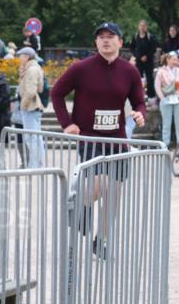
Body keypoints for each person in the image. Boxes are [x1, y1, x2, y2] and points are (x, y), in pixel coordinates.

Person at [50, 21, 146, 258]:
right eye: (101, 36)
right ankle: (77, 204)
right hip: (91, 139)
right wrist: (68, 123)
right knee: (100, 184)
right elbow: (57, 93)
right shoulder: (81, 69)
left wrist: (140, 114)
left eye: (111, 36)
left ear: (120, 42)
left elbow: (139, 101)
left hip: (118, 140)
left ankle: (101, 239)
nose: (105, 40)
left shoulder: (129, 71)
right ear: (95, 42)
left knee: (114, 192)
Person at [16, 47, 46, 168]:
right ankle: (37, 164)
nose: (19, 58)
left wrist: (23, 105)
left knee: (31, 138)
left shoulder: (32, 70)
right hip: (32, 107)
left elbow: (32, 91)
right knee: (35, 137)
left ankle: (34, 165)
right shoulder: (32, 68)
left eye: (21, 55)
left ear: (27, 56)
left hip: (30, 107)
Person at [155, 50, 179, 148]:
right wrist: (162, 98)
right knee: (166, 124)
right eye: (173, 59)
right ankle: (165, 146)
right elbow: (157, 86)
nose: (176, 61)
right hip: (166, 98)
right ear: (168, 60)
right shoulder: (161, 71)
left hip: (178, 97)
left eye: (176, 59)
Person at [129, 20, 158, 99]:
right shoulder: (135, 36)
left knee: (149, 78)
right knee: (138, 77)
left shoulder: (150, 37)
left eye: (144, 26)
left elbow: (153, 49)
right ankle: (138, 94)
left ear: (146, 27)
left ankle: (151, 96)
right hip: (139, 61)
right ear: (138, 27)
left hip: (148, 61)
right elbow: (132, 48)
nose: (142, 27)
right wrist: (137, 56)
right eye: (141, 26)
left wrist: (146, 56)